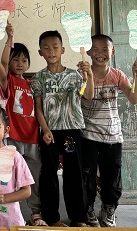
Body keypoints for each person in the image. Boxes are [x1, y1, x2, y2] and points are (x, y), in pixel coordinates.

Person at [30, 30, 95, 227]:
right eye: (46, 48)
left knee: (73, 173)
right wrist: (45, 129)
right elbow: (38, 108)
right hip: (49, 131)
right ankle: (51, 218)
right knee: (49, 174)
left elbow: (89, 95)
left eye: (55, 47)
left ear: (63, 50)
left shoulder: (75, 75)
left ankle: (78, 217)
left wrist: (89, 75)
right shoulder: (38, 78)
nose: (51, 51)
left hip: (71, 130)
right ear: (40, 52)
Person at [82, 34, 137, 227]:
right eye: (95, 49)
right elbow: (85, 97)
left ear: (112, 52)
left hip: (113, 136)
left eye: (105, 50)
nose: (100, 53)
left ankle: (108, 210)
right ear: (88, 52)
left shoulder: (117, 75)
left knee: (112, 178)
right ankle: (88, 210)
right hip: (88, 135)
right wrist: (87, 76)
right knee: (87, 177)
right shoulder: (81, 74)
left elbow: (134, 99)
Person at [0, 24, 46, 226]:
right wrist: (9, 38)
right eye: (15, 59)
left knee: (33, 178)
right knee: (11, 178)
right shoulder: (8, 81)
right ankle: (12, 212)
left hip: (33, 139)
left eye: (24, 60)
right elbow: (2, 62)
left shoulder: (32, 84)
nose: (20, 63)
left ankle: (36, 213)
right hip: (13, 138)